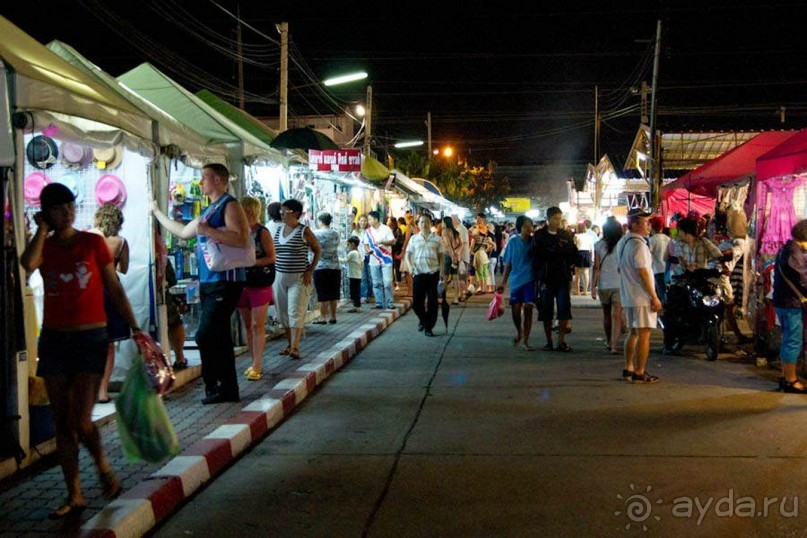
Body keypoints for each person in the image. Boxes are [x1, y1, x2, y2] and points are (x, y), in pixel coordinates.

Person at [21, 183, 138, 518]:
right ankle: (75, 494)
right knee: (62, 422)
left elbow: (113, 287)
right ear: (47, 212)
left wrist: (136, 327)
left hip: (90, 338)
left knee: (81, 420)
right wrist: (42, 229)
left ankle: (102, 466)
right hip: (55, 340)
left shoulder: (92, 242)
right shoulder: (44, 245)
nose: (67, 212)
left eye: (70, 206)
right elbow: (27, 265)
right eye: (59, 208)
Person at [151, 163, 248, 404]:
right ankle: (227, 389)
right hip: (209, 281)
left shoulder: (230, 205)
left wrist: (210, 232)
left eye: (204, 177)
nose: (201, 182)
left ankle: (213, 384)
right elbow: (184, 232)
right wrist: (156, 213)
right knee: (220, 336)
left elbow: (241, 239)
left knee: (205, 335)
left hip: (225, 280)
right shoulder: (209, 209)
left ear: (217, 179)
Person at [616, 208, 662, 384]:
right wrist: (654, 296)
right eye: (645, 222)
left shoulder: (623, 241)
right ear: (634, 224)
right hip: (641, 296)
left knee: (633, 333)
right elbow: (643, 271)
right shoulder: (639, 245)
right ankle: (639, 373)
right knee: (644, 334)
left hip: (629, 295)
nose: (649, 225)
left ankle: (628, 368)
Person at [90, 203, 130, 404]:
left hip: (90, 290)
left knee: (89, 342)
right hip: (111, 289)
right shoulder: (120, 242)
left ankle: (90, 388)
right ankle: (103, 391)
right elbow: (124, 269)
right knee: (109, 344)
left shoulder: (89, 238)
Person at [272, 199, 320, 360]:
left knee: (295, 311)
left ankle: (295, 346)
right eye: (281, 211)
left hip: (299, 277)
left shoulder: (303, 231)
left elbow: (317, 249)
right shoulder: (278, 231)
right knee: (283, 312)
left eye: (284, 211)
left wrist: (310, 270)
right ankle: (289, 343)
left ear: (296, 214)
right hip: (279, 276)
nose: (282, 214)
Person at [237, 196, 276, 381]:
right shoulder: (237, 231)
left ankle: (258, 365)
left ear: (249, 210)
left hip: (260, 283)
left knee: (257, 324)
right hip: (242, 283)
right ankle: (253, 362)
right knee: (248, 325)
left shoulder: (262, 232)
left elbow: (271, 257)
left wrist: (252, 263)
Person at [532, 206, 578, 352]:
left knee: (564, 308)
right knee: (546, 310)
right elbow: (535, 255)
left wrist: (566, 256)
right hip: (546, 277)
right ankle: (549, 341)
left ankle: (561, 341)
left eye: (560, 218)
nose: (558, 222)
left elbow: (573, 253)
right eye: (555, 219)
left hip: (563, 277)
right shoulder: (540, 235)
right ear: (548, 219)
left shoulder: (565, 235)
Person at [772, 220, 807, 392]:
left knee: (788, 339)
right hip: (790, 303)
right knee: (793, 341)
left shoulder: (787, 249)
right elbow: (803, 278)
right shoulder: (795, 252)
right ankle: (791, 381)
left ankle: (786, 377)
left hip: (783, 301)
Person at [499, 215, 536, 350]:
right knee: (515, 311)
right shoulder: (513, 243)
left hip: (530, 281)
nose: (529, 229)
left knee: (528, 309)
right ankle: (519, 331)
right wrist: (503, 282)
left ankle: (526, 340)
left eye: (531, 226)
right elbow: (508, 264)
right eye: (526, 226)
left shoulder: (534, 242)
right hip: (515, 281)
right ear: (520, 228)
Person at [404, 212, 443, 336]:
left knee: (433, 303)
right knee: (417, 303)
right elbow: (407, 255)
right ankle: (423, 319)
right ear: (418, 224)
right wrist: (410, 268)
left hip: (433, 273)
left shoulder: (437, 239)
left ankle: (428, 327)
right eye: (421, 222)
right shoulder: (414, 238)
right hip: (418, 274)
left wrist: (442, 272)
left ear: (431, 224)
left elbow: (441, 257)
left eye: (426, 222)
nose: (424, 224)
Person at [591, 216, 624, 354]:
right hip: (619, 284)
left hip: (604, 285)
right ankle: (614, 346)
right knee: (616, 315)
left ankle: (609, 340)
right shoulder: (623, 244)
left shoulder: (598, 245)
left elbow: (596, 267)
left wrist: (593, 286)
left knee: (606, 315)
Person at [312, 211, 341, 324]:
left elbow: (312, 248)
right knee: (334, 293)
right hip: (334, 266)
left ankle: (323, 317)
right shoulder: (335, 234)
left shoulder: (315, 234)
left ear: (320, 221)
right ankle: (333, 316)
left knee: (322, 292)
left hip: (320, 266)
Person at [364, 210, 396, 309]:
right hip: (373, 260)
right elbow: (365, 244)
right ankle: (379, 303)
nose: (368, 221)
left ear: (376, 219)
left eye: (370, 219)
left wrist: (383, 242)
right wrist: (368, 250)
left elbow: (393, 242)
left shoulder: (386, 229)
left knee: (387, 282)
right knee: (376, 283)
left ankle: (390, 303)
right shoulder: (368, 231)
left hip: (386, 259)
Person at [648, 216, 670, 305]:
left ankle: (664, 309)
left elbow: (648, 255)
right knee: (666, 290)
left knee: (661, 291)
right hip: (668, 270)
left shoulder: (652, 240)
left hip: (657, 269)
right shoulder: (668, 239)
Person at [441, 216, 464, 304]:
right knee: (455, 277)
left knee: (445, 277)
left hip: (447, 256)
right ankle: (456, 298)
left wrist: (452, 255)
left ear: (445, 223)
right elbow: (461, 244)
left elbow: (448, 245)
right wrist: (456, 253)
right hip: (456, 256)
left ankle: (443, 298)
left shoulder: (445, 232)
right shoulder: (456, 232)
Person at [352, 214, 373, 303]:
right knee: (363, 277)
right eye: (361, 220)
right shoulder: (355, 232)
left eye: (365, 221)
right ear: (358, 221)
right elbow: (352, 244)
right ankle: (364, 295)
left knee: (370, 277)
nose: (363, 222)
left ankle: (369, 294)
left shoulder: (370, 231)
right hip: (360, 257)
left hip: (370, 256)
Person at [573, 221, 594, 295]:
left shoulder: (576, 236)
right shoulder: (590, 237)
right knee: (586, 273)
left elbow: (574, 246)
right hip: (587, 253)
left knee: (577, 273)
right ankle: (585, 291)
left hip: (579, 254)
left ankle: (577, 290)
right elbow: (592, 248)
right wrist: (592, 257)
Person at [344, 236, 363, 312]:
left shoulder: (352, 253)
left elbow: (345, 260)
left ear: (353, 244)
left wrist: (335, 258)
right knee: (356, 291)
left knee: (354, 291)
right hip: (357, 275)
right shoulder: (358, 252)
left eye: (348, 244)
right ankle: (356, 306)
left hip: (353, 275)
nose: (347, 246)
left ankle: (356, 306)